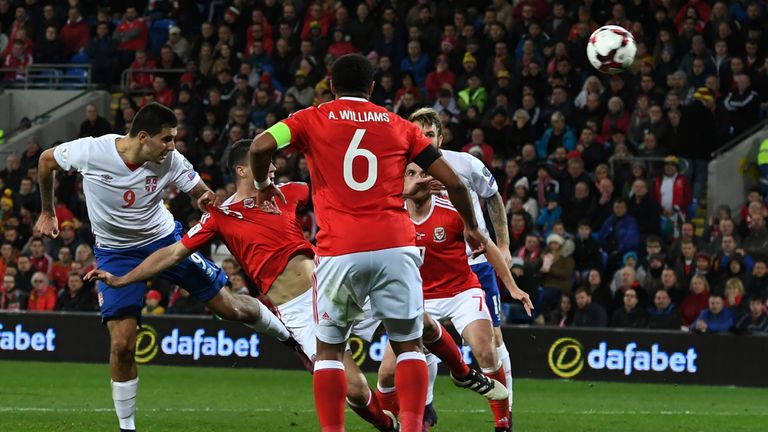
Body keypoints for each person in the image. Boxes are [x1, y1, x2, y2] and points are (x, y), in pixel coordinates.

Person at [247, 53, 517, 432]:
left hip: (339, 250)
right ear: (372, 88)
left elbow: (260, 146)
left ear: (330, 85)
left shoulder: (310, 117)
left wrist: (261, 188)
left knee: (328, 352)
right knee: (409, 345)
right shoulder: (400, 126)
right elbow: (454, 183)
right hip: (397, 247)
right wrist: (472, 225)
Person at [36, 103, 294, 432]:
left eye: (174, 139)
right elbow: (46, 159)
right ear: (143, 137)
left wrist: (202, 197)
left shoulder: (170, 160)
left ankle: (290, 338)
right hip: (116, 252)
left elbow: (200, 191)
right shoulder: (91, 150)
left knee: (228, 308)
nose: (172, 146)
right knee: (123, 344)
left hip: (165, 241)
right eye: (167, 139)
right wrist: (48, 211)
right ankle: (126, 426)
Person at [379, 162, 531, 431]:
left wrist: (512, 287)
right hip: (420, 298)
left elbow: (487, 246)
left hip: (461, 291)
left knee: (485, 349)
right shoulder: (393, 214)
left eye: (424, 173)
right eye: (411, 174)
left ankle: (503, 421)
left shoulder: (452, 212)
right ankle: (392, 421)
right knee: (387, 372)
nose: (418, 179)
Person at [408, 107, 517, 413]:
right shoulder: (405, 169)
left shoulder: (464, 164)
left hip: (475, 263)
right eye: (419, 134)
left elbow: (493, 197)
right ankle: (425, 407)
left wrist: (504, 244)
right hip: (427, 265)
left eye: (430, 134)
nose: (425, 139)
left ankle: (506, 411)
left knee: (493, 340)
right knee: (421, 341)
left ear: (440, 137)